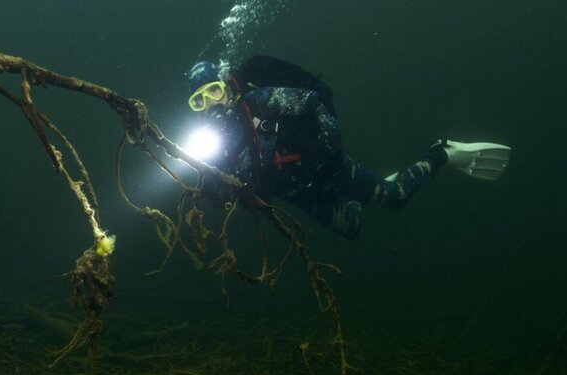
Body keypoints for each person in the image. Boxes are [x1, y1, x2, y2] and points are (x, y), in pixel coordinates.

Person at [183, 57, 510, 238]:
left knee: (395, 199)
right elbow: (231, 185)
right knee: (352, 227)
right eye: (198, 101)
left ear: (225, 86)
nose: (209, 103)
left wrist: (328, 143)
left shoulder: (258, 102)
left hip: (328, 168)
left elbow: (311, 102)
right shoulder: (213, 145)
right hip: (301, 195)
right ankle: (377, 187)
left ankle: (441, 154)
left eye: (212, 91)